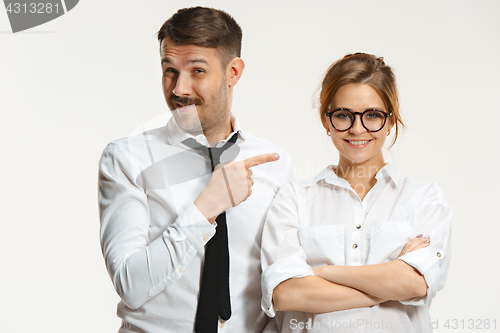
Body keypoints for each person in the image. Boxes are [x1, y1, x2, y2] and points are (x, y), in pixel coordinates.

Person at [98, 7, 292, 333]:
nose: (179, 89)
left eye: (197, 71)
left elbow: (284, 281)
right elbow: (130, 284)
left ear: (233, 72)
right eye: (169, 70)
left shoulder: (275, 163)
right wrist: (206, 206)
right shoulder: (127, 158)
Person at [260, 53, 452, 332]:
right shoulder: (294, 198)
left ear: (390, 121)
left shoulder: (425, 199)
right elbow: (287, 294)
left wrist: (320, 273)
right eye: (343, 115)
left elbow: (415, 283)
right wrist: (391, 281)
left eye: (372, 115)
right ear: (327, 121)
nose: (357, 128)